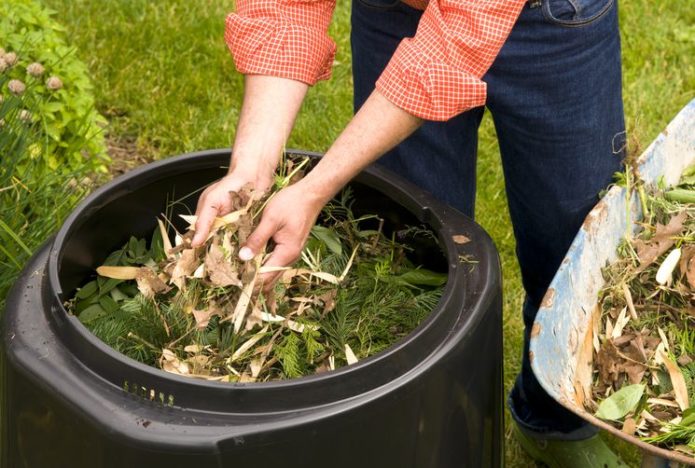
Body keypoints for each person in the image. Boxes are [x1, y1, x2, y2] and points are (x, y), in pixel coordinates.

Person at [191, 0, 627, 466]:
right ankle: (426, 427)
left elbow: (456, 40)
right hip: (398, 11)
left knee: (573, 247)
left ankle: (555, 421)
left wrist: (315, 188)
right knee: (412, 252)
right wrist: (250, 171)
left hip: (553, 21)